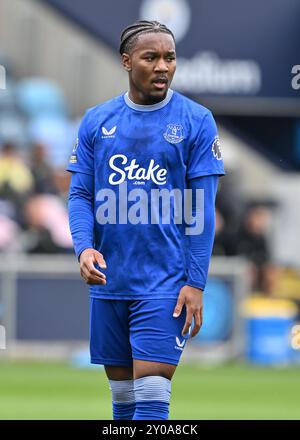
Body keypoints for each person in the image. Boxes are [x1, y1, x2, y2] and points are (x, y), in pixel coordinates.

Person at [67, 20, 225, 420]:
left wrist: (195, 282)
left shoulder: (196, 121)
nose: (162, 67)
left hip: (165, 285)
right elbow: (81, 195)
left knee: (153, 400)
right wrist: (84, 247)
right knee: (124, 404)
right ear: (126, 61)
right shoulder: (96, 122)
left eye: (169, 58)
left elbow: (202, 210)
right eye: (150, 57)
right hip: (110, 281)